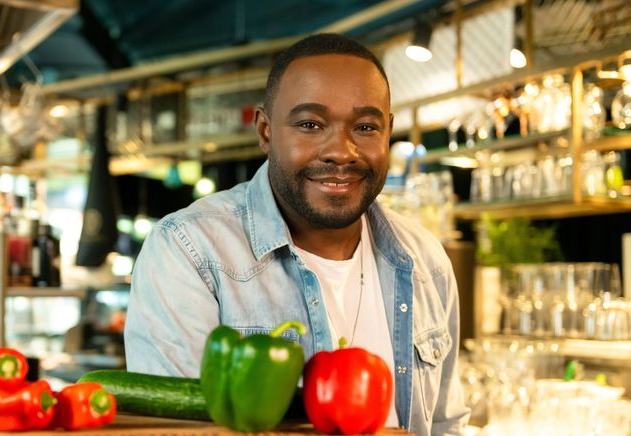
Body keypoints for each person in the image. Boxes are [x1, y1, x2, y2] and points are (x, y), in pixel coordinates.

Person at [125, 33, 470, 435]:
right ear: (266, 132)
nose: (341, 151)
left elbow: (446, 423)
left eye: (364, 126)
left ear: (388, 132)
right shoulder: (189, 251)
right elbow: (175, 432)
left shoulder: (424, 261)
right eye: (310, 124)